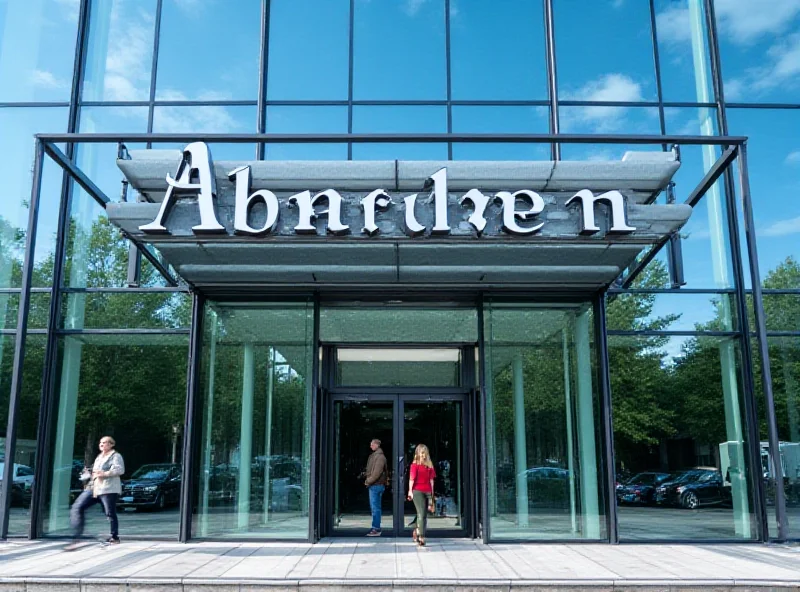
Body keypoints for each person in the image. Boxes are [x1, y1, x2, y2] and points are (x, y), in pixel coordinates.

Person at [65, 436, 125, 550]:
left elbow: (120, 470)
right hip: (93, 487)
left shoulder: (116, 456)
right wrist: (89, 473)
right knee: (77, 507)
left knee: (110, 513)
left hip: (108, 488)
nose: (101, 444)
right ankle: (77, 538)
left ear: (112, 444)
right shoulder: (99, 457)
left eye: (105, 442)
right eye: (100, 442)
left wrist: (104, 473)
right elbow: (95, 472)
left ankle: (114, 537)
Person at [407, 443, 436, 547]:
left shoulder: (429, 465)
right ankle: (421, 536)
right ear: (418, 453)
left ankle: (416, 528)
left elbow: (431, 480)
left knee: (424, 514)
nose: (424, 455)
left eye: (425, 453)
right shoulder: (414, 466)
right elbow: (411, 479)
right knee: (421, 514)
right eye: (422, 453)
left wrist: (432, 495)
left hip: (427, 491)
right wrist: (410, 491)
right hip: (417, 491)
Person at [363, 438, 387, 537]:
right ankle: (376, 527)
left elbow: (377, 472)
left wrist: (368, 481)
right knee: (375, 507)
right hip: (375, 485)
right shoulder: (376, 456)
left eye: (372, 444)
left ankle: (376, 528)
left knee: (375, 508)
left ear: (377, 445)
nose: (371, 446)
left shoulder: (379, 457)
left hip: (376, 485)